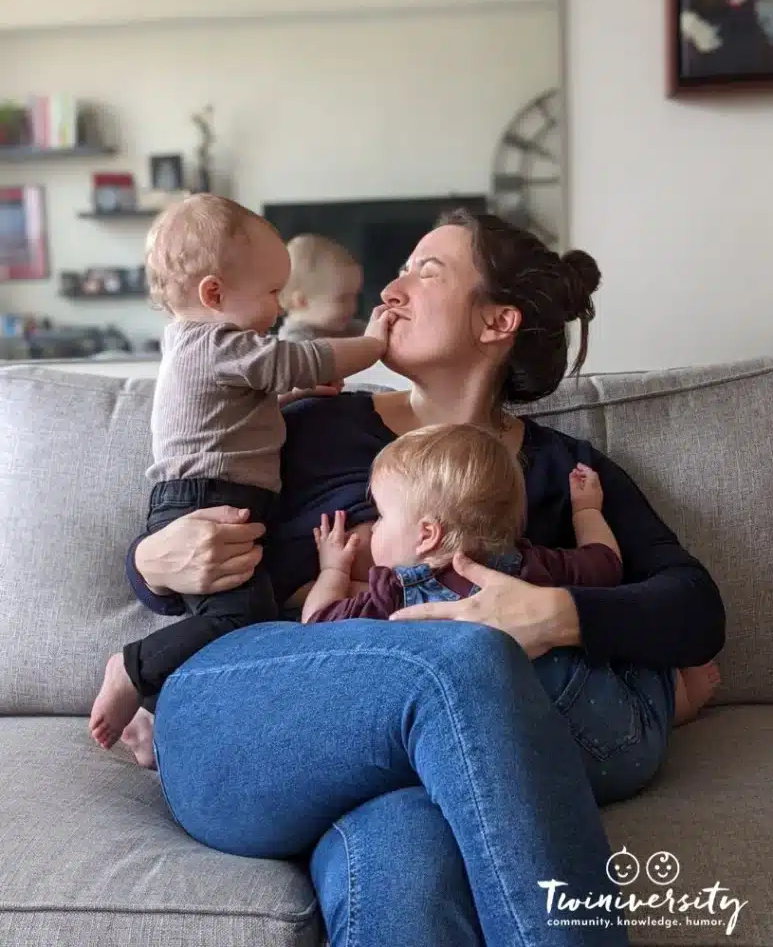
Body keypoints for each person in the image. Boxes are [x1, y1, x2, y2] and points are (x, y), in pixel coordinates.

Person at [126, 209, 725, 947]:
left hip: (419, 756)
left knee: (407, 844)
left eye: (425, 271)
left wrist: (554, 616)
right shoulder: (305, 423)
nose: (393, 288)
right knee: (463, 656)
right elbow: (183, 521)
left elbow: (694, 611)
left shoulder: (561, 471)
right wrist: (150, 560)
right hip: (248, 723)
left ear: (496, 322)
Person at [89, 194, 394, 751]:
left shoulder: (196, 344)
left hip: (202, 495)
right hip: (209, 499)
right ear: (214, 294)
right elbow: (298, 359)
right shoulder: (218, 341)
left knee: (230, 624)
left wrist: (294, 393)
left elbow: (245, 408)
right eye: (273, 292)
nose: (279, 308)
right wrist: (372, 343)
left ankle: (156, 712)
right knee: (241, 621)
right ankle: (132, 670)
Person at [303, 423, 719, 729]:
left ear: (427, 534)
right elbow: (607, 564)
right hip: (614, 738)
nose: (372, 526)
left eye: (381, 516)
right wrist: (586, 511)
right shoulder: (532, 563)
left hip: (511, 754)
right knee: (637, 677)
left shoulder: (392, 594)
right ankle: (682, 701)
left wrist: (334, 569)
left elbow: (316, 627)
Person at [277, 233, 365, 341]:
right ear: (302, 301)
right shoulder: (295, 347)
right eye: (342, 299)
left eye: (355, 296)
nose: (353, 306)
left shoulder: (343, 325)